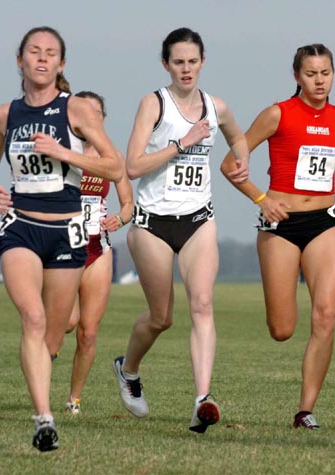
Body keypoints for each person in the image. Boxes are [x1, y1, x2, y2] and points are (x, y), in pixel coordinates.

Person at [0, 26, 122, 451]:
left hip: (67, 229)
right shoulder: (5, 114)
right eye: (33, 52)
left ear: (61, 64)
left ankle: (48, 386)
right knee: (34, 319)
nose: (41, 59)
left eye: (51, 54)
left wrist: (63, 153)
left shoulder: (77, 110)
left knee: (54, 336)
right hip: (21, 225)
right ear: (19, 60)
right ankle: (43, 418)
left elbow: (114, 167)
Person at [113, 27, 249, 434]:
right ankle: (128, 370)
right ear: (166, 65)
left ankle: (202, 399)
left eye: (192, 61)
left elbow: (237, 136)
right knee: (161, 317)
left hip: (198, 220)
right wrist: (182, 143)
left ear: (202, 62)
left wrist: (241, 158)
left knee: (203, 305)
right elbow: (132, 166)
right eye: (178, 62)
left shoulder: (216, 106)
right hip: (152, 224)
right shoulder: (153, 103)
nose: (186, 69)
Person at [221, 44, 335, 430]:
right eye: (311, 73)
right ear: (297, 76)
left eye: (325, 72)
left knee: (325, 315)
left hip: (324, 222)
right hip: (280, 225)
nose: (319, 80)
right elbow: (230, 164)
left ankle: (305, 410)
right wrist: (261, 199)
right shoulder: (277, 113)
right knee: (282, 329)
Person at [45, 91, 134, 416]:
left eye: (96, 113)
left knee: (89, 330)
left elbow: (128, 203)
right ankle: (41, 355)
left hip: (98, 248)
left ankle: (74, 399)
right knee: (66, 323)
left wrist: (120, 218)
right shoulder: (59, 152)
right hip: (61, 249)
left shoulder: (113, 156)